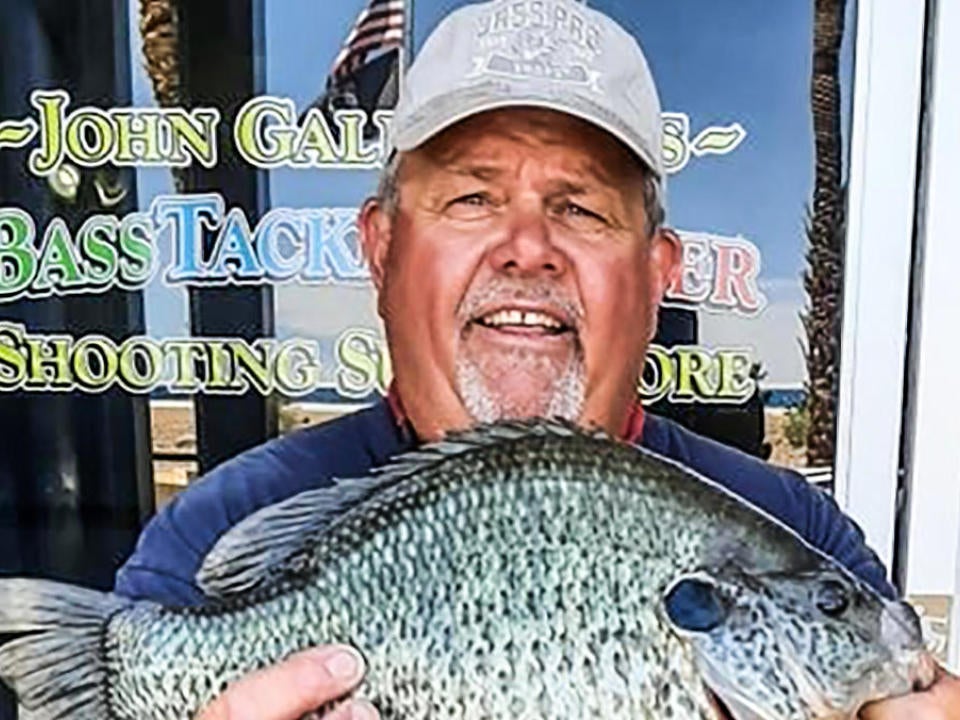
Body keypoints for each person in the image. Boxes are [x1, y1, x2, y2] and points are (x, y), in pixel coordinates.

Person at [116, 1, 960, 718]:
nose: (528, 249)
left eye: (582, 209)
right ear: (381, 250)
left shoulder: (794, 533)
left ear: (657, 272)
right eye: (473, 197)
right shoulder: (216, 533)